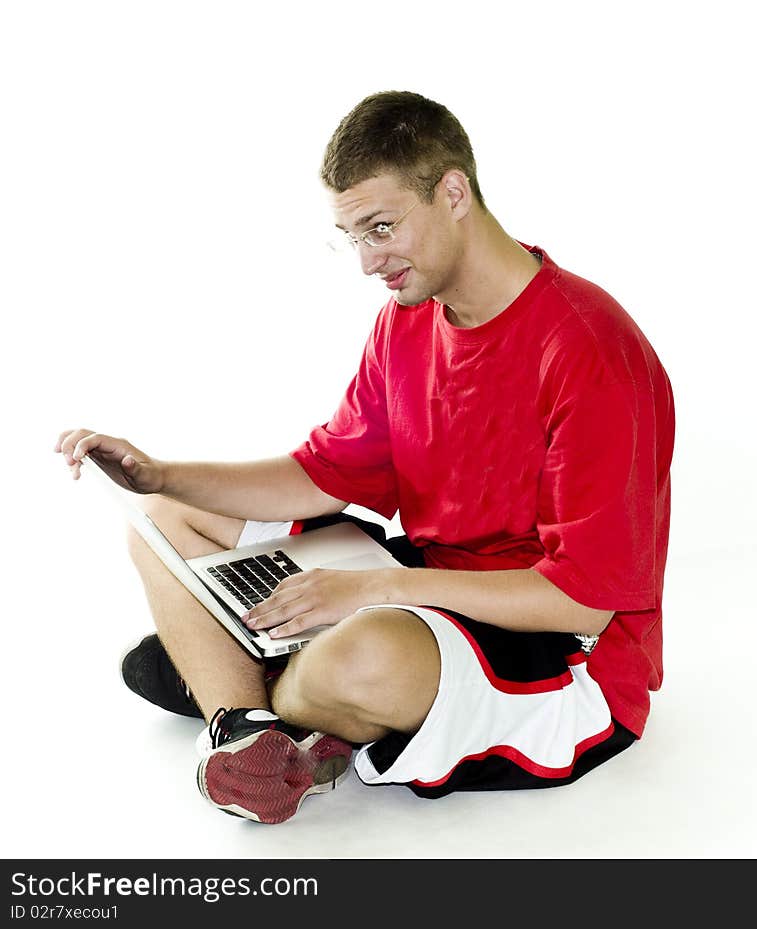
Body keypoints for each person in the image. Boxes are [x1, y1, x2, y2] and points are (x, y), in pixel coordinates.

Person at [56, 90, 675, 825]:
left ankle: (238, 676)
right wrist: (164, 474)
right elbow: (323, 473)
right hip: (428, 589)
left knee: (360, 657)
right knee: (163, 518)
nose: (367, 262)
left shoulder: (588, 349)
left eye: (381, 228)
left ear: (453, 193)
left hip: (561, 652)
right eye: (352, 237)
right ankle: (254, 726)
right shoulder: (405, 322)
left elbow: (581, 598)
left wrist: (369, 591)